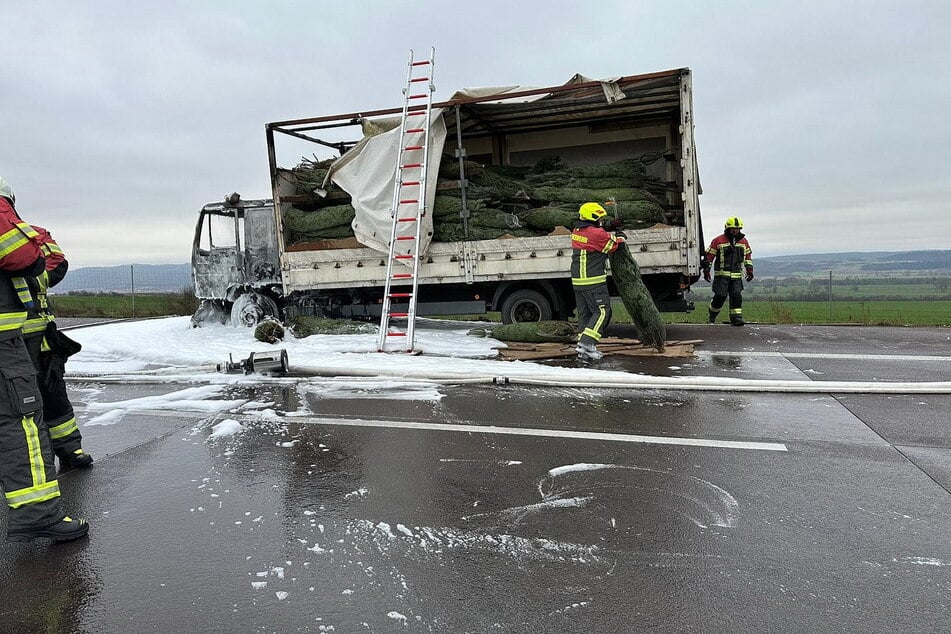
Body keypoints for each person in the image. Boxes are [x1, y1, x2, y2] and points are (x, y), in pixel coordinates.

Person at [0, 176, 88, 542]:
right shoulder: (24, 234)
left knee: (48, 397)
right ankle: (37, 510)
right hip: (12, 341)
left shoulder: (37, 235)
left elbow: (52, 268)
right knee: (22, 419)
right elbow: (29, 260)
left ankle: (70, 449)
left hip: (32, 334)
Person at [21, 225, 94, 472]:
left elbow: (57, 263)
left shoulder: (30, 236)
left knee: (54, 397)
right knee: (18, 406)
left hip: (42, 343)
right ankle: (29, 462)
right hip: (10, 344)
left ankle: (69, 449)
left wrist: (26, 273)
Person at [571, 202, 625, 361]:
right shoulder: (596, 234)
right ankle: (587, 343)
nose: (601, 221)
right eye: (600, 219)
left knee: (585, 314)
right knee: (602, 312)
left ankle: (584, 349)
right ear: (593, 217)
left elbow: (594, 231)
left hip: (579, 281)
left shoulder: (577, 230)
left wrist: (610, 225)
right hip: (593, 281)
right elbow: (613, 245)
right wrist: (621, 237)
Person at [702, 216, 754, 326]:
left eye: (737, 228)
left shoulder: (744, 242)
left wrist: (749, 270)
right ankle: (712, 315)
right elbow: (709, 257)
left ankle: (736, 318)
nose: (735, 231)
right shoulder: (718, 240)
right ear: (727, 228)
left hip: (736, 276)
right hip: (721, 276)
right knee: (720, 296)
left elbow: (748, 257)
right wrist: (706, 271)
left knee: (736, 296)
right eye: (733, 228)